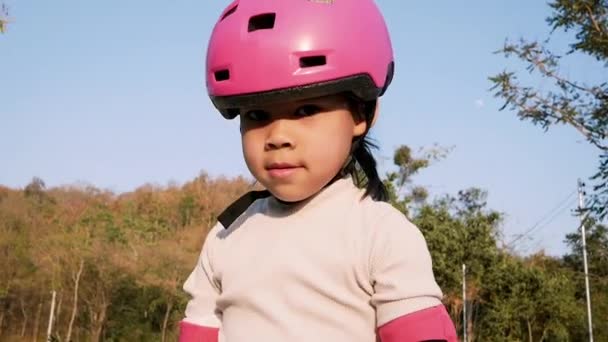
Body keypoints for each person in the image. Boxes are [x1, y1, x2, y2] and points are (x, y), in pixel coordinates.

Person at [179, 0, 458, 341]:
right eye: (257, 115)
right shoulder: (226, 237)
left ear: (361, 115)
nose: (278, 137)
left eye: (306, 109)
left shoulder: (379, 234)